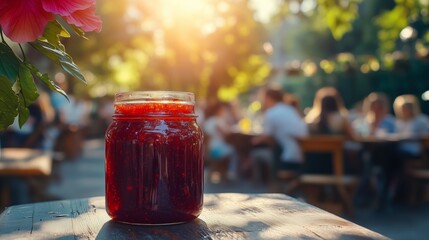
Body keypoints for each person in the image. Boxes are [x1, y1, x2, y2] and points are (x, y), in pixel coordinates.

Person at [250, 88, 308, 184]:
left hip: (288, 159)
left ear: (268, 98)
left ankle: (265, 187)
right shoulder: (290, 109)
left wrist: (253, 141)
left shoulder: (271, 113)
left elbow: (267, 136)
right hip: (305, 156)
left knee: (256, 154)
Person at [203, 101, 239, 181]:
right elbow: (227, 133)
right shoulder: (217, 121)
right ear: (219, 110)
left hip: (208, 150)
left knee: (230, 148)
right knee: (234, 152)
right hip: (216, 150)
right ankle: (231, 172)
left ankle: (220, 171)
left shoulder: (209, 120)